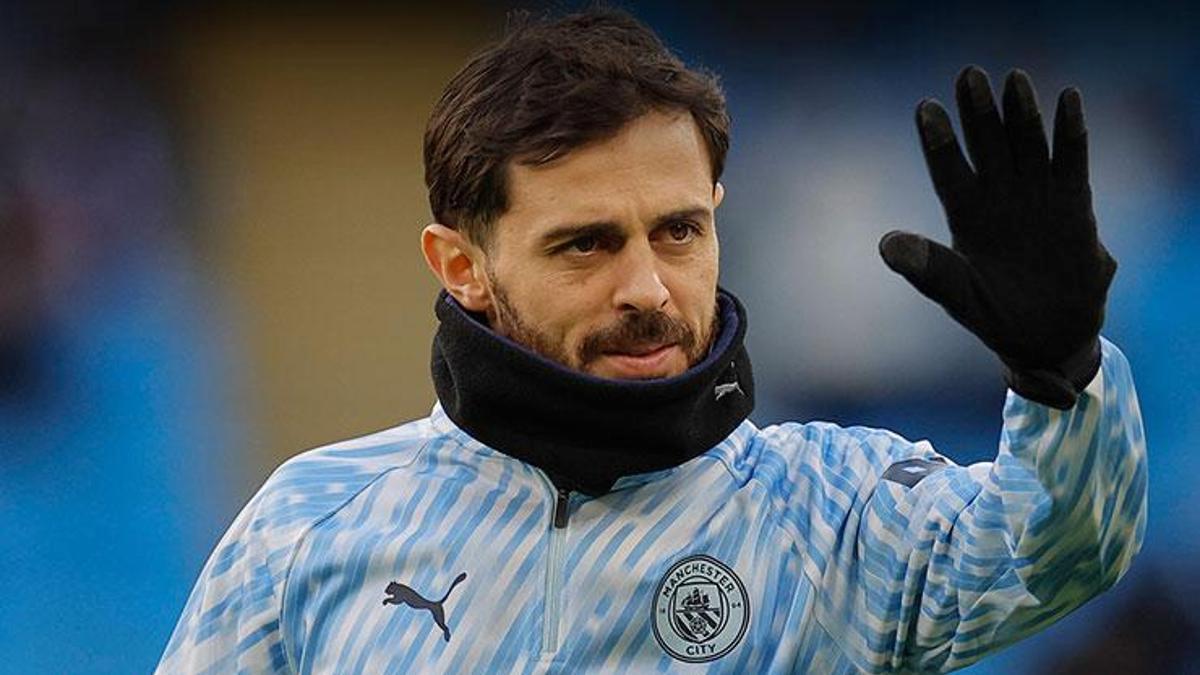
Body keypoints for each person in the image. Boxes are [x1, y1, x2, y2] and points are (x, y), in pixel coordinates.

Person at [156, 8, 1146, 673]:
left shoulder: (829, 513)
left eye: (678, 231)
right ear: (462, 266)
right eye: (586, 243)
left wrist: (1062, 375)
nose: (647, 287)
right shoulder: (307, 528)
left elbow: (1060, 551)